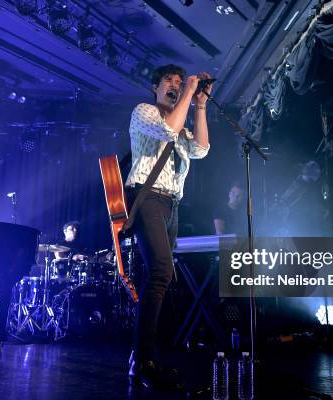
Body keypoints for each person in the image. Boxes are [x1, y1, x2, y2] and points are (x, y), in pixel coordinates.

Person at [125, 64, 212, 389]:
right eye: (170, 81)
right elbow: (165, 131)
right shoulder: (144, 111)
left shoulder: (181, 128)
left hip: (171, 203)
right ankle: (143, 359)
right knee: (161, 271)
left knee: (161, 277)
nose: (176, 85)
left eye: (180, 81)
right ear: (155, 87)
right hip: (147, 197)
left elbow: (201, 150)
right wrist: (188, 92)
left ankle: (142, 356)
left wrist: (200, 104)